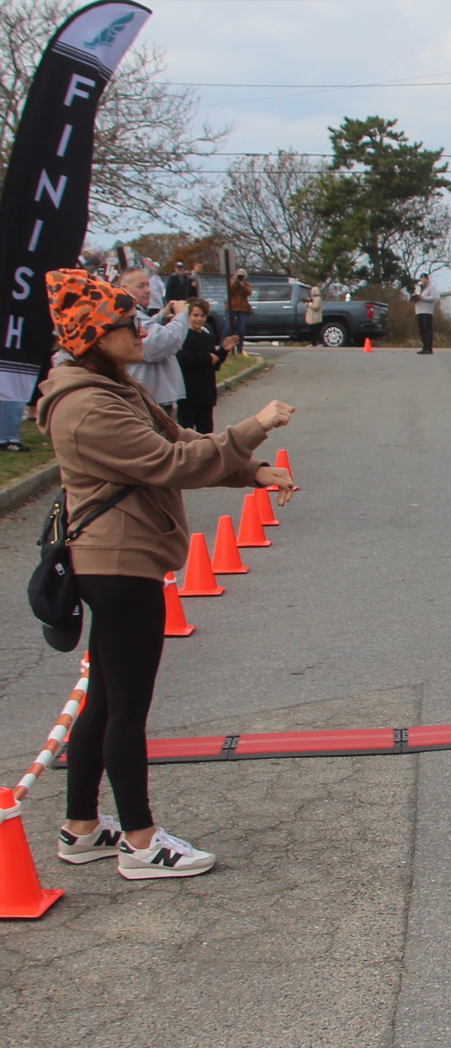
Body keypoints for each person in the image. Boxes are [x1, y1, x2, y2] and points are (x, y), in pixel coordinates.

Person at [38, 269, 296, 878]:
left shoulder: (113, 387)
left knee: (104, 700)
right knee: (127, 706)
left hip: (123, 558)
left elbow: (181, 438)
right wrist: (255, 425)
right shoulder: (85, 406)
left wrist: (253, 472)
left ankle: (81, 828)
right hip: (117, 563)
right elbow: (170, 462)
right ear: (93, 336)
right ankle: (140, 841)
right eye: (128, 324)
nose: (141, 331)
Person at [119, 268, 189, 418]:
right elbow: (162, 342)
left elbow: (148, 330)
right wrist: (182, 315)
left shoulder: (135, 314)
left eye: (148, 285)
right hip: (148, 402)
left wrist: (161, 316)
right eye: (140, 286)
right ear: (124, 289)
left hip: (150, 398)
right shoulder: (129, 316)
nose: (147, 290)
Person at [174, 297, 237, 433]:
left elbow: (215, 363)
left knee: (206, 431)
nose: (199, 319)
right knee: (186, 431)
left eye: (203, 316)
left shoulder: (207, 336)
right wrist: (207, 357)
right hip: (189, 395)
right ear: (188, 316)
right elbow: (184, 360)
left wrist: (223, 350)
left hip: (206, 395)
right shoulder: (183, 336)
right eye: (195, 315)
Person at [226, 268, 253, 351]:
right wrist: (235, 282)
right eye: (239, 275)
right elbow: (230, 292)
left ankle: (239, 348)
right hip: (231, 307)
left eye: (242, 275)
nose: (240, 277)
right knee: (228, 327)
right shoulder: (232, 283)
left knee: (241, 329)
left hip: (242, 308)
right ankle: (223, 346)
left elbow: (249, 293)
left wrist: (242, 285)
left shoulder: (246, 284)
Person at [413, 274, 439, 354]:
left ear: (427, 279)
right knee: (422, 330)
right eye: (422, 278)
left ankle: (429, 348)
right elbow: (415, 295)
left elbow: (434, 297)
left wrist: (422, 298)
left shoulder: (431, 287)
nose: (423, 280)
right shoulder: (418, 287)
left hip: (427, 311)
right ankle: (424, 347)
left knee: (427, 329)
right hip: (419, 310)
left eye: (424, 278)